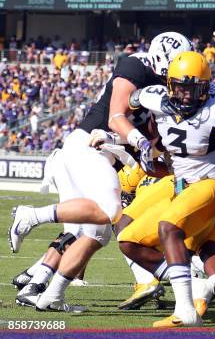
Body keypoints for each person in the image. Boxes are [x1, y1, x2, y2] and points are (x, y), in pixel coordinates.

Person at [8, 32, 193, 312]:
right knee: (110, 211)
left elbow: (151, 156)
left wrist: (174, 166)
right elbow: (115, 116)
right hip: (85, 147)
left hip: (102, 154)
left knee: (95, 234)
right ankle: (30, 216)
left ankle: (46, 292)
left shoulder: (163, 96)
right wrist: (137, 141)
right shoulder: (136, 65)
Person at [116, 51, 215, 327]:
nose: (187, 96)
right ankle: (195, 287)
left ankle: (185, 310)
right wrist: (131, 141)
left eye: (195, 89)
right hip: (182, 189)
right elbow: (130, 101)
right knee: (127, 240)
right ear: (170, 85)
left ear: (206, 88)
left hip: (213, 187)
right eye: (181, 88)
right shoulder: (156, 101)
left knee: (168, 227)